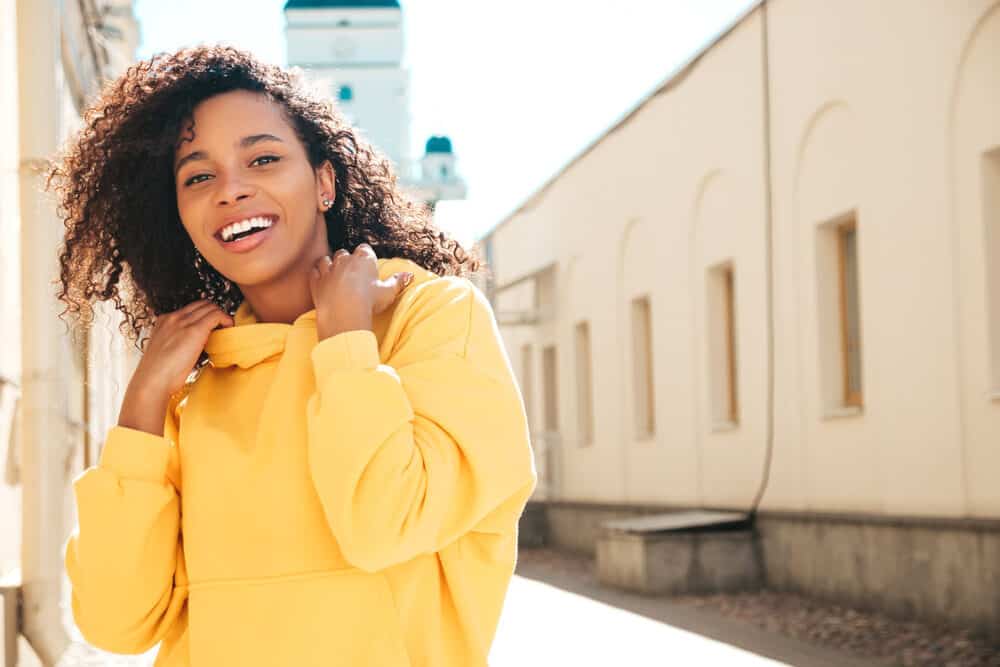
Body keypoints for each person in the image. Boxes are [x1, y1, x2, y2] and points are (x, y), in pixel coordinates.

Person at [48, 45, 537, 667]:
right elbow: (116, 624)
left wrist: (344, 341)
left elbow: (384, 524)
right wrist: (141, 408)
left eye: (263, 158)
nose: (232, 190)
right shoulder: (194, 388)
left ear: (324, 181)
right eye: (199, 176)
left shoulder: (432, 320)